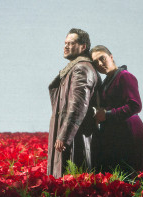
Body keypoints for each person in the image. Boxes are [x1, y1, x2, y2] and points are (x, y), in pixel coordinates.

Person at [47, 28, 101, 178]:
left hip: (75, 138)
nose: (65, 46)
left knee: (72, 181)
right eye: (65, 43)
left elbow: (78, 105)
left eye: (71, 43)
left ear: (83, 47)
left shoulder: (81, 69)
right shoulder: (74, 68)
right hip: (72, 135)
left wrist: (64, 136)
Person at [90, 45, 143, 175]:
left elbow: (135, 105)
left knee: (132, 177)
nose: (100, 64)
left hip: (129, 132)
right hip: (115, 134)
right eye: (96, 63)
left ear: (111, 57)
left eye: (103, 58)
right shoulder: (106, 82)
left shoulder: (125, 76)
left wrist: (107, 114)